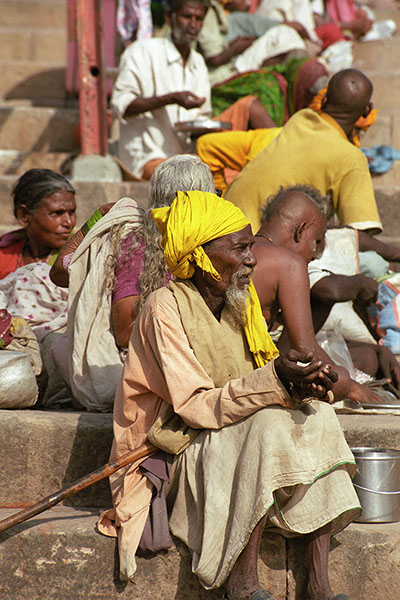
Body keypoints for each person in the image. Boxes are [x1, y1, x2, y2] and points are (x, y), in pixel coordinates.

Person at [98, 189, 360, 600]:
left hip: (227, 432)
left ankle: (318, 585)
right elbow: (196, 406)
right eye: (240, 249)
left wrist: (298, 384)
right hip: (177, 448)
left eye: (251, 246)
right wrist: (275, 379)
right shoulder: (163, 309)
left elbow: (250, 381)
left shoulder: (238, 300)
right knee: (268, 425)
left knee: (319, 415)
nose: (253, 259)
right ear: (201, 254)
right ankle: (241, 580)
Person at [48, 155, 216, 411]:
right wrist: (100, 217)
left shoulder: (218, 241)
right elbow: (125, 332)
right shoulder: (139, 244)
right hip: (152, 365)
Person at [111, 0, 293, 180]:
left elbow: (201, 119)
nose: (193, 25)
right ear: (169, 17)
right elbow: (122, 106)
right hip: (148, 159)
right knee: (203, 178)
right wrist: (170, 99)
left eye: (199, 19)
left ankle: (287, 161)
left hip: (190, 155)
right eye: (186, 17)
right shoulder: (142, 52)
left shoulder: (197, 63)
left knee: (250, 106)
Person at [250, 185, 397, 402]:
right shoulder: (289, 264)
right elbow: (307, 352)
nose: (316, 255)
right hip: (251, 378)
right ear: (300, 231)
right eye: (316, 241)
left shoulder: (243, 248)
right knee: (342, 380)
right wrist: (368, 397)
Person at [225, 68, 382, 235]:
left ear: (324, 100)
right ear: (367, 111)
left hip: (225, 224)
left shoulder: (300, 118)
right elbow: (360, 234)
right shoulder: (351, 158)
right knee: (373, 260)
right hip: (250, 242)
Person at [196, 0, 307, 86]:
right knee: (283, 33)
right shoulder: (203, 9)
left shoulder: (215, 10)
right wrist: (236, 48)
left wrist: (238, 45)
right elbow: (214, 58)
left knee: (286, 36)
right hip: (221, 74)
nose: (247, 4)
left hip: (229, 65)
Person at [0, 169, 76, 279]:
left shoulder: (79, 256)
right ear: (24, 215)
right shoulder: (5, 256)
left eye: (72, 212)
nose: (69, 222)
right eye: (57, 213)